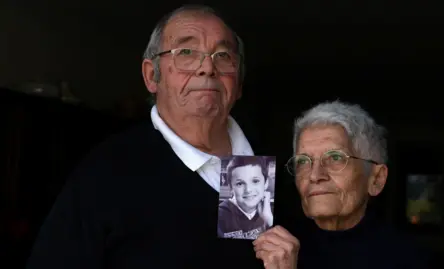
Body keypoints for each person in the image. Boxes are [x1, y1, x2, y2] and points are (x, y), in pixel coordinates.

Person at [27, 5, 270, 269]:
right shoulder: (106, 172)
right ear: (152, 75)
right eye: (186, 52)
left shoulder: (258, 161)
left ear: (238, 83)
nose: (208, 68)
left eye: (223, 55)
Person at [253, 101, 430, 269]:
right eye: (303, 161)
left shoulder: (408, 260)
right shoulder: (272, 247)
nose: (315, 175)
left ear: (376, 179)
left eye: (335, 158)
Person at [218, 156, 273, 239]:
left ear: (266, 183)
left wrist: (269, 220)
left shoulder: (269, 210)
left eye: (255, 181)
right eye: (240, 183)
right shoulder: (221, 215)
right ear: (231, 188)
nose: (248, 190)